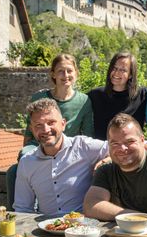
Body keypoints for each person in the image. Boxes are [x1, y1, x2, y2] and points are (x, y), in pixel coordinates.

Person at [13, 98, 147, 215]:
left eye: (51, 123)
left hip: (85, 228)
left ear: (63, 123)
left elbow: (123, 145)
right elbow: (22, 209)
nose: (45, 130)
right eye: (38, 125)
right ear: (32, 129)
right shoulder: (27, 162)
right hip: (44, 228)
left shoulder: (83, 146)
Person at [7, 54, 94, 209]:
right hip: (38, 145)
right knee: (19, 166)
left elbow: (88, 134)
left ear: (76, 73)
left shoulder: (84, 101)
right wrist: (25, 153)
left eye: (69, 71)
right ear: (53, 74)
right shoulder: (39, 96)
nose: (65, 75)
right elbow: (30, 130)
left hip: (67, 150)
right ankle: (17, 211)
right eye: (60, 71)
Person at [83, 113, 147, 224]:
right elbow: (91, 205)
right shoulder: (106, 170)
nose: (122, 148)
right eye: (115, 143)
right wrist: (136, 218)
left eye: (129, 142)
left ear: (143, 140)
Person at [87, 52, 147, 140]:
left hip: (130, 151)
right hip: (102, 151)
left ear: (130, 74)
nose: (116, 73)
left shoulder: (142, 95)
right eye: (114, 68)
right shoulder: (95, 95)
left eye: (123, 70)